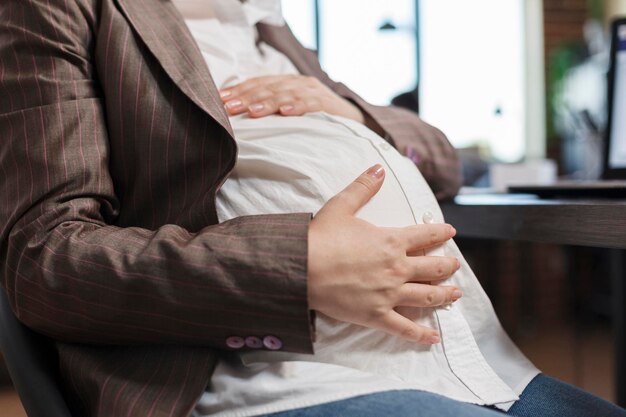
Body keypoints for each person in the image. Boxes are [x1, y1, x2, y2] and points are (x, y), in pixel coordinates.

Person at [0, 1, 622, 417]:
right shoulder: (60, 10)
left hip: (480, 366)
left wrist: (346, 110)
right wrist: (298, 268)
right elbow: (46, 260)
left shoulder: (267, 24)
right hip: (274, 380)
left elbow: (441, 154)